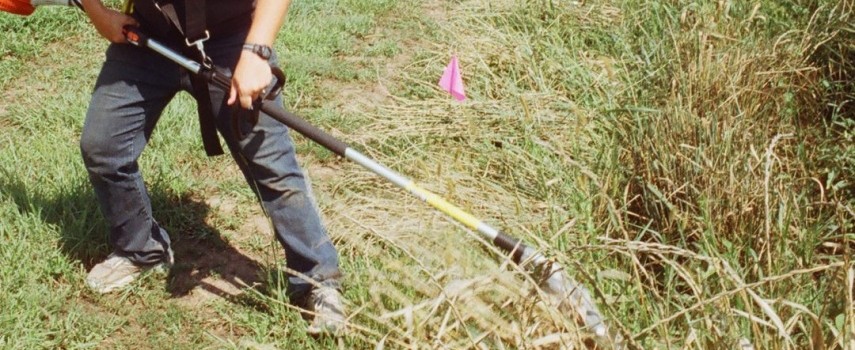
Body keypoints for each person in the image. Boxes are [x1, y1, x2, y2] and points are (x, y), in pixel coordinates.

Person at [78, 0, 346, 335]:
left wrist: (257, 51)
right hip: (148, 36)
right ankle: (141, 250)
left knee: (271, 163)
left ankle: (318, 280)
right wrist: (98, 14)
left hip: (234, 40)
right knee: (103, 147)